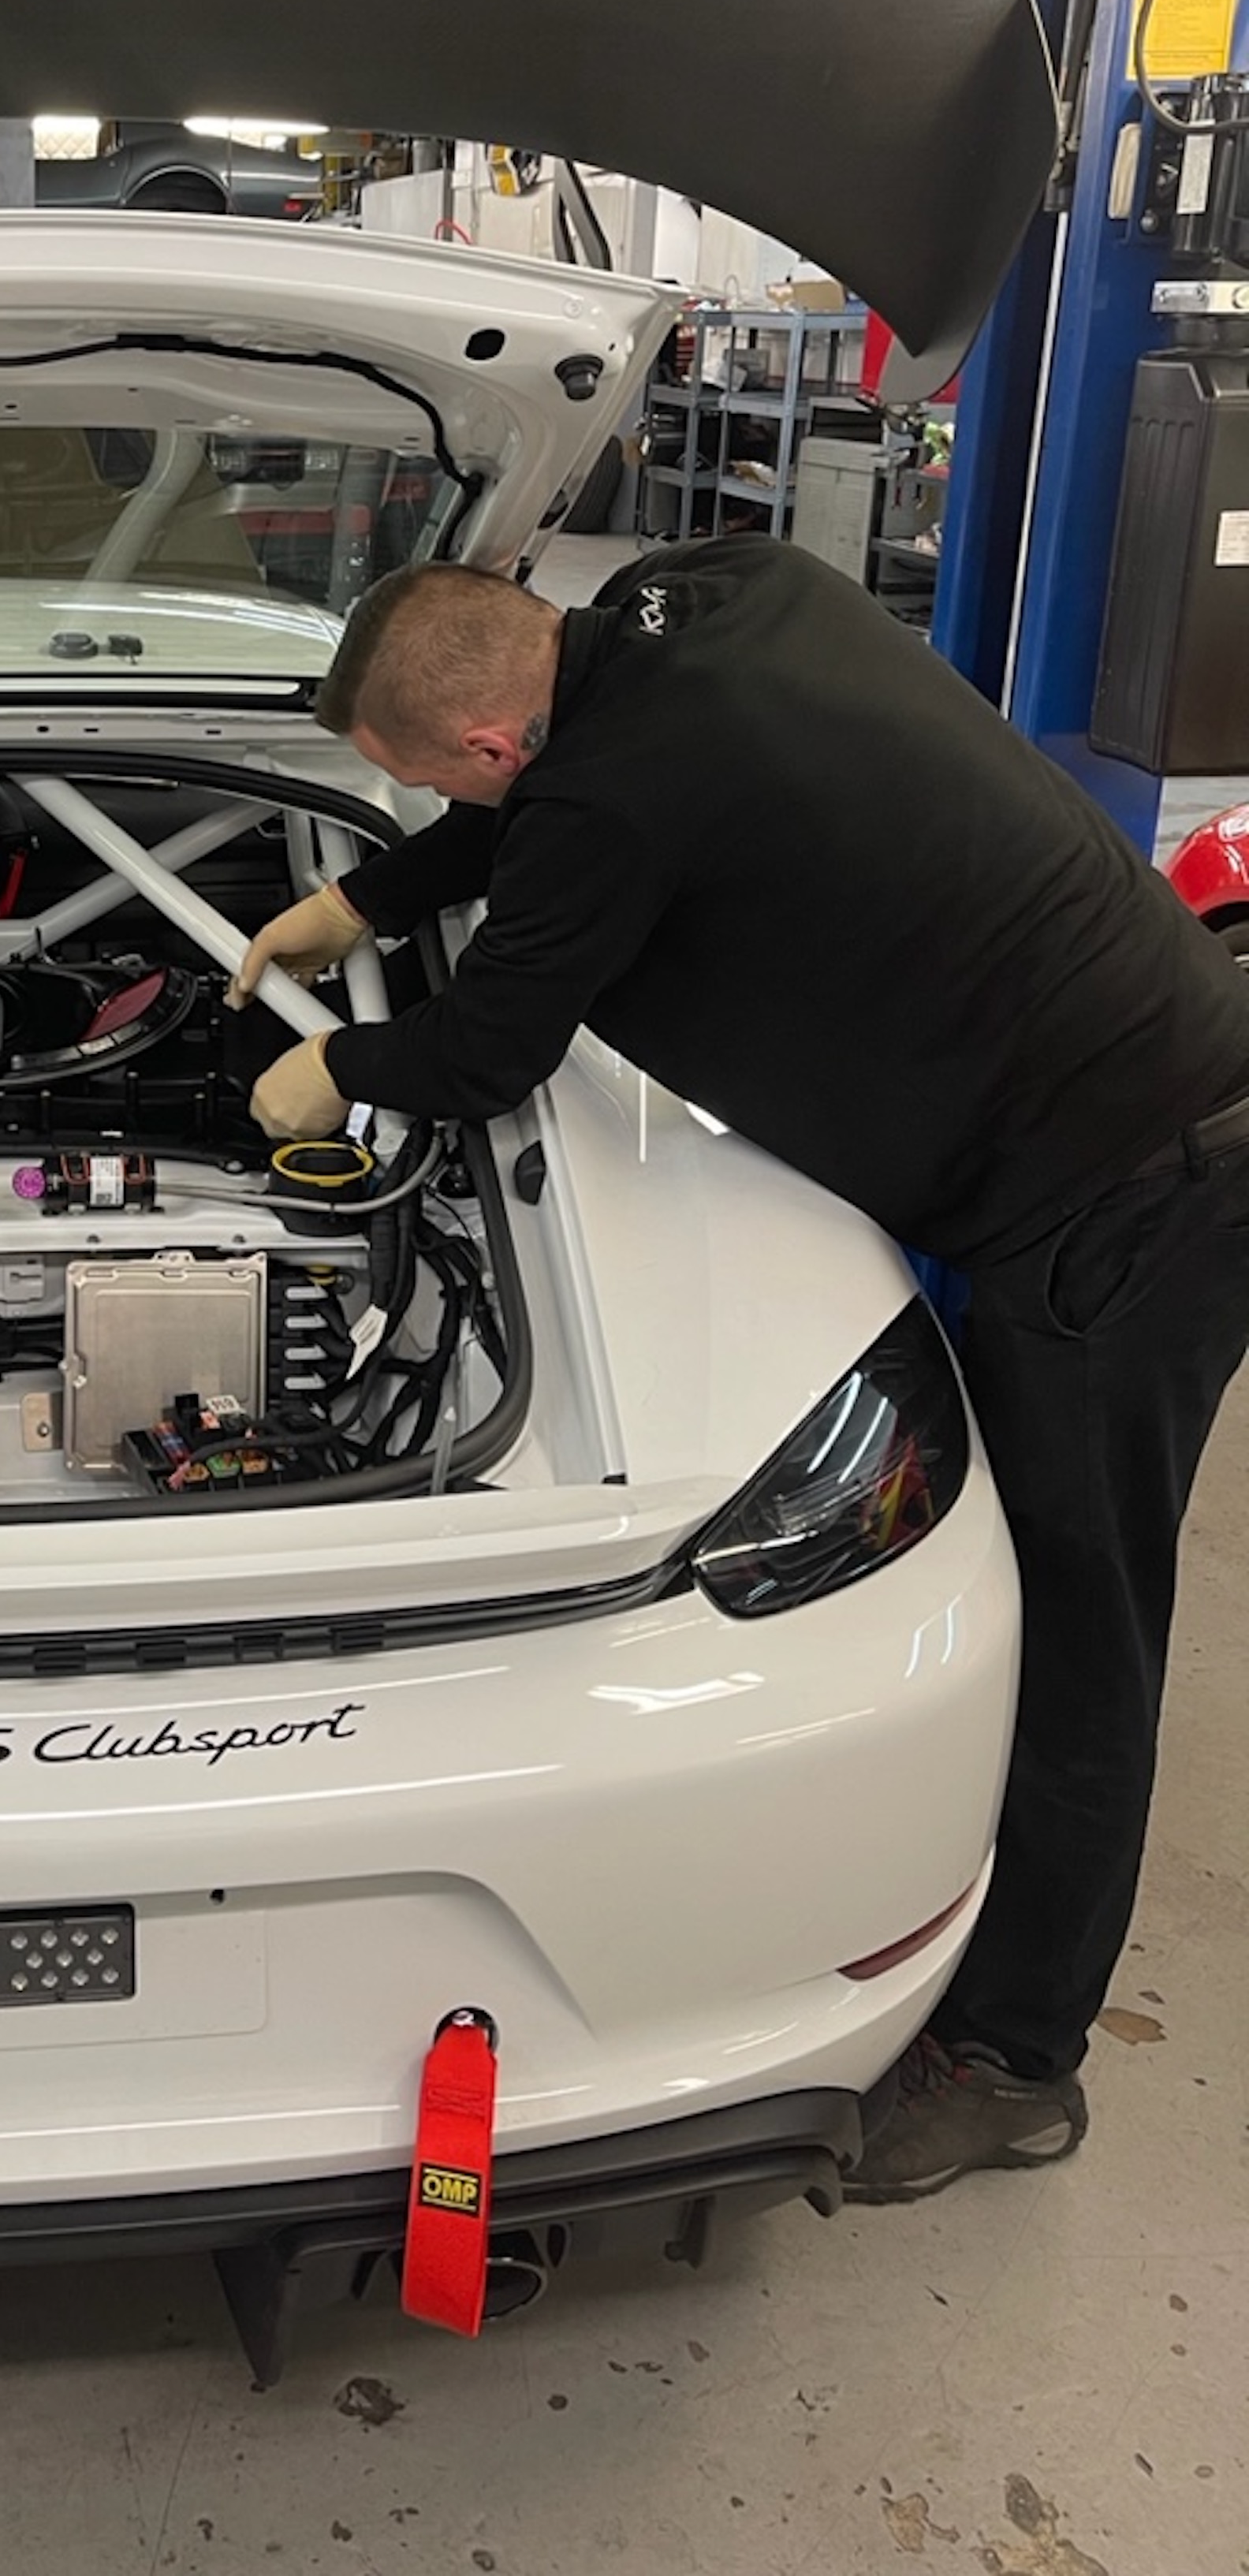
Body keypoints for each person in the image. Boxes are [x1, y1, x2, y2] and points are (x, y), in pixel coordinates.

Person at [229, 539, 1249, 2201]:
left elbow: (484, 1053)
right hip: (1154, 1080)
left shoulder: (603, 802)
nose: (443, 802)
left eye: (427, 780)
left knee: (1084, 1633)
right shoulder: (712, 588)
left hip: (1129, 1208)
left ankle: (1015, 2058)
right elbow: (535, 802)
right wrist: (374, 898)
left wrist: (332, 1061)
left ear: (486, 744)